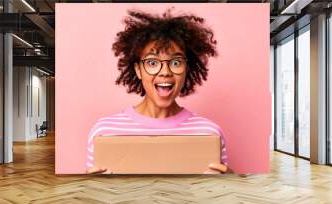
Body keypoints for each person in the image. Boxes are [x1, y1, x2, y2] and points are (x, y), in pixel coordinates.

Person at [86, 9, 228, 174]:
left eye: (175, 62)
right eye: (153, 63)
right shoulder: (103, 132)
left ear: (187, 69)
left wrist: (228, 178)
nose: (165, 72)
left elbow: (222, 195)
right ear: (138, 70)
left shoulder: (209, 133)